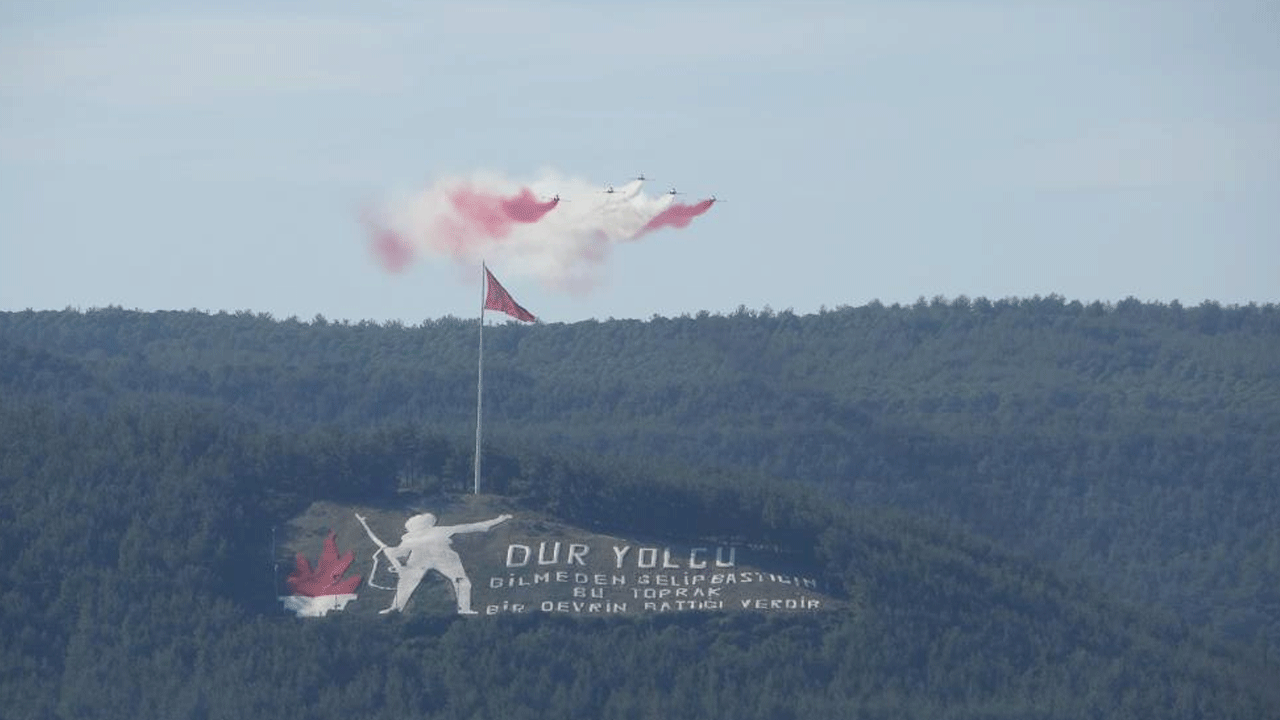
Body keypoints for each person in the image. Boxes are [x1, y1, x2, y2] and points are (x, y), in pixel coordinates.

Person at [356, 511, 511, 615]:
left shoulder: (436, 531)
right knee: (406, 584)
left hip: (443, 556)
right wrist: (391, 552)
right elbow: (401, 552)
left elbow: (471, 527)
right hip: (421, 558)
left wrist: (498, 520)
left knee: (461, 581)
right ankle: (395, 608)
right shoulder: (408, 538)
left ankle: (464, 608)